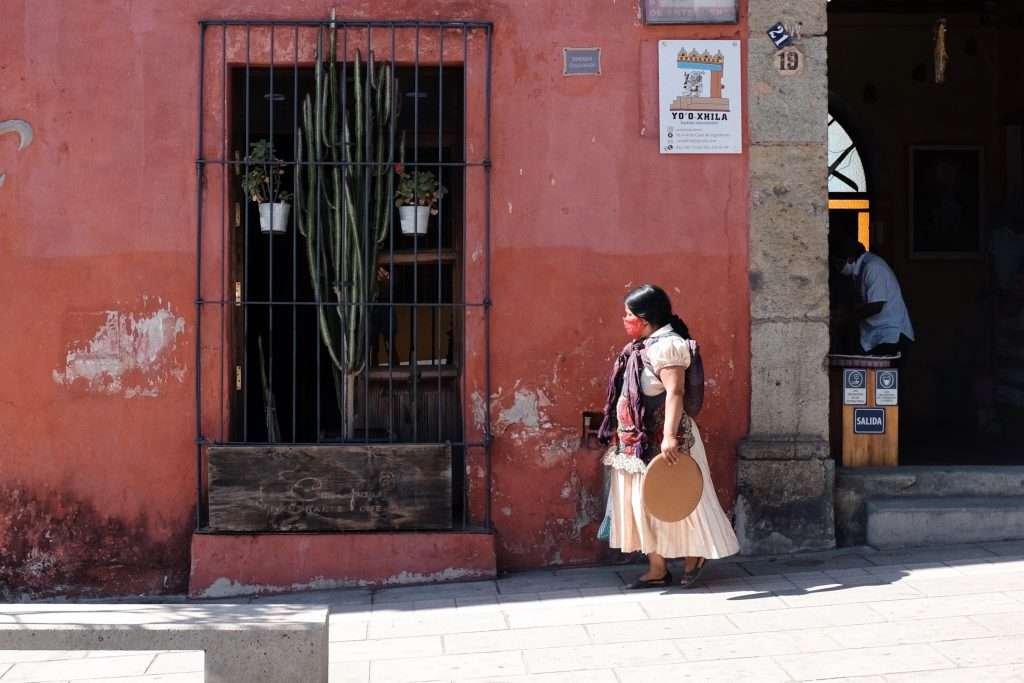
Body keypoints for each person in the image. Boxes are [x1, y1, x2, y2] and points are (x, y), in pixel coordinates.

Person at [598, 284, 739, 589]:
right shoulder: (641, 346)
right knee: (641, 502)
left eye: (628, 314)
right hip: (636, 442)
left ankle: (694, 556)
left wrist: (669, 437)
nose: (624, 319)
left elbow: (675, 392)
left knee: (681, 499)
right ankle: (657, 568)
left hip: (669, 441)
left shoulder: (668, 346)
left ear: (644, 318)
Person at [832, 237, 915, 356]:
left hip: (891, 335)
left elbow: (876, 306)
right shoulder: (859, 271)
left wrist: (844, 318)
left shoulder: (873, 267)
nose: (837, 268)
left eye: (839, 263)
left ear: (850, 259)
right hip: (875, 335)